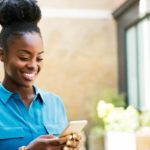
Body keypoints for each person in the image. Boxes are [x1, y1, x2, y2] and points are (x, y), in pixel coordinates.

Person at [0, 0, 81, 150]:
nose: (33, 65)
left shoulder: (55, 103)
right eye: (24, 57)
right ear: (2, 54)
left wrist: (70, 146)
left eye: (39, 58)